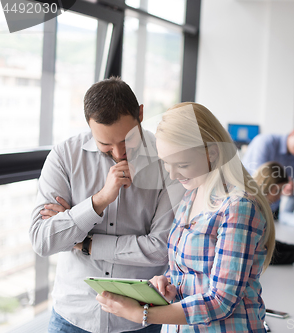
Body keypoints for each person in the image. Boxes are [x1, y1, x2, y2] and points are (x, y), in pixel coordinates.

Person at [96, 102, 276, 332]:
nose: (172, 174)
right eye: (167, 164)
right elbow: (186, 270)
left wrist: (140, 314)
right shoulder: (191, 196)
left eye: (182, 164)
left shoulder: (238, 206)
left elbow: (222, 300)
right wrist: (167, 282)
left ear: (211, 153)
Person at [29, 77, 183, 333]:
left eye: (126, 141)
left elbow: (162, 248)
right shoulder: (65, 156)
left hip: (140, 320)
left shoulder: (166, 159)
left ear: (141, 114)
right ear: (89, 125)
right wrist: (98, 201)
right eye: (105, 144)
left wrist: (85, 242)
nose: (118, 153)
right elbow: (43, 240)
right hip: (72, 317)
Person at [242, 119, 294, 215]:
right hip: (250, 204)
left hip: (272, 207)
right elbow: (260, 181)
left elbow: (286, 182)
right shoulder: (265, 143)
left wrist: (288, 187)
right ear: (293, 133)